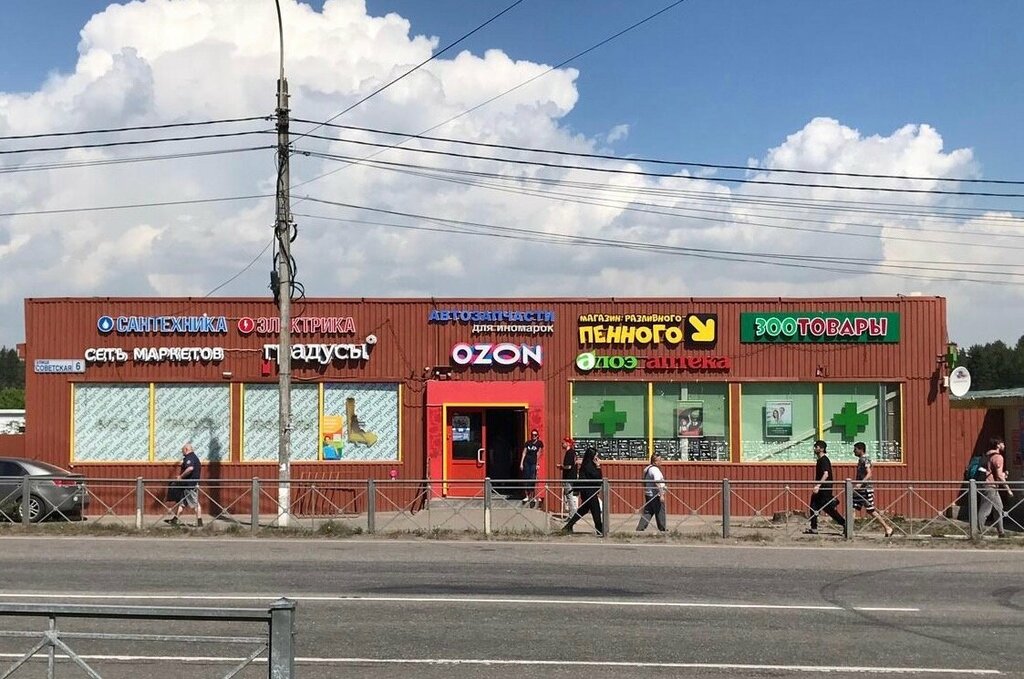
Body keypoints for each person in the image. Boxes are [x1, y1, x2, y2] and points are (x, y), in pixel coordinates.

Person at [852, 441, 894, 538]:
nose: (854, 451)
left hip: (866, 489)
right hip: (860, 490)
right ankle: (848, 530)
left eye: (855, 449)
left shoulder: (865, 460)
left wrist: (860, 483)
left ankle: (887, 528)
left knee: (870, 510)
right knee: (851, 508)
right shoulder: (861, 460)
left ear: (861, 450)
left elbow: (869, 473)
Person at [804, 440, 846, 535]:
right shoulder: (820, 460)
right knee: (814, 506)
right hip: (822, 489)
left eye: (816, 447)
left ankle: (844, 523)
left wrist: (818, 485)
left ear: (822, 449)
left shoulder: (824, 460)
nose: (815, 449)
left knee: (828, 509)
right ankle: (814, 528)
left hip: (824, 488)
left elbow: (826, 474)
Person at [563, 446, 604, 536]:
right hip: (590, 492)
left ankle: (568, 526)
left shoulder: (586, 464)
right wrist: (598, 467)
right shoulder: (589, 466)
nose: (597, 458)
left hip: (587, 491)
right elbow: (598, 478)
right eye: (596, 456)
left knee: (583, 510)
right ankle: (600, 530)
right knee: (596, 510)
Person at [978, 437, 1013, 537]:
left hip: (987, 484)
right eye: (1002, 443)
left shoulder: (987, 455)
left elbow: (992, 471)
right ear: (998, 445)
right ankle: (977, 532)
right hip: (990, 486)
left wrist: (1002, 474)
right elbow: (999, 476)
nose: (1004, 445)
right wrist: (1008, 490)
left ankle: (1001, 532)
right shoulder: (998, 457)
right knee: (985, 510)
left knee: (999, 508)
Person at [169, 443, 203, 527]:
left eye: (182, 451)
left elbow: (190, 468)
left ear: (186, 449)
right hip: (188, 485)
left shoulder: (190, 457)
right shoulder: (194, 457)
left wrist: (181, 476)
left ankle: (199, 522)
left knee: (195, 503)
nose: (182, 453)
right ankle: (175, 520)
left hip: (190, 485)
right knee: (182, 503)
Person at [636, 452, 668, 532]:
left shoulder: (647, 469)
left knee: (648, 512)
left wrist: (646, 489)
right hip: (655, 495)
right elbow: (657, 482)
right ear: (655, 461)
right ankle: (662, 529)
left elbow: (643, 481)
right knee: (660, 511)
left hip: (648, 494)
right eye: (659, 460)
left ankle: (640, 528)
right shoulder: (655, 470)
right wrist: (661, 494)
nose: (661, 462)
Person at [520, 429, 543, 507]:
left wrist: (537, 464)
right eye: (532, 435)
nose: (534, 436)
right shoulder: (528, 443)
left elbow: (539, 454)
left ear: (537, 436)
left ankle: (533, 496)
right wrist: (521, 463)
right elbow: (524, 452)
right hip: (527, 462)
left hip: (533, 463)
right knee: (526, 478)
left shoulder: (539, 443)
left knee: (532, 478)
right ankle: (526, 496)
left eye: (535, 435)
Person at [560, 436, 578, 517]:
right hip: (572, 477)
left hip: (569, 477)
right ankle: (573, 514)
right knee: (570, 496)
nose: (562, 444)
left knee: (569, 496)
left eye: (563, 443)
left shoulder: (569, 453)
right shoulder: (573, 452)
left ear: (568, 444)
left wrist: (561, 467)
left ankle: (572, 515)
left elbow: (569, 466)